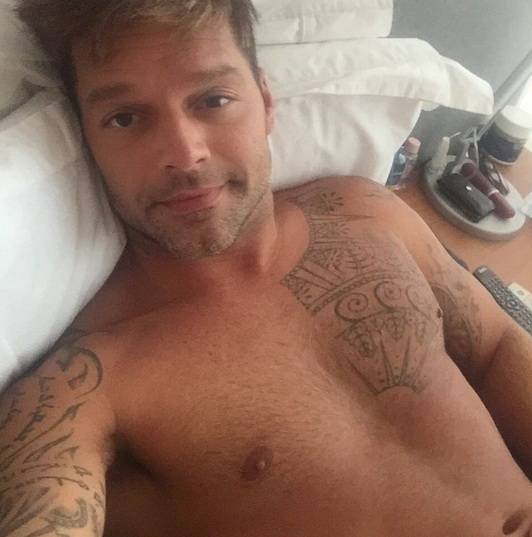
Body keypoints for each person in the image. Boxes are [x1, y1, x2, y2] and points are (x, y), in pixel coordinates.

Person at [1, 1, 532, 536]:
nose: (184, 153)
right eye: (125, 118)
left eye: (213, 99)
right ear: (88, 141)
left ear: (267, 101)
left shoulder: (364, 211)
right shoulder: (83, 384)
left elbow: (495, 345)